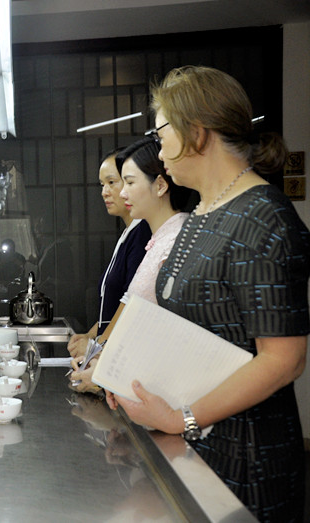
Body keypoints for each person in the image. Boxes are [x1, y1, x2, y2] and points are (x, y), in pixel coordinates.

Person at [108, 66, 309, 521]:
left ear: (197, 134)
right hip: (195, 447)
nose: (158, 148)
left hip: (246, 458)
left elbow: (284, 359)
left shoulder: (263, 218)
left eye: (161, 133)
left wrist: (184, 419)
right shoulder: (202, 213)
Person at [70, 136, 194, 392]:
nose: (121, 193)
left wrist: (105, 376)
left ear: (160, 185)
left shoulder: (175, 241)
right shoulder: (158, 238)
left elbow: (163, 338)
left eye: (127, 182)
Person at [67, 150, 151, 358]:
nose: (105, 191)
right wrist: (90, 336)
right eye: (102, 184)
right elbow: (113, 308)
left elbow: (132, 304)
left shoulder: (143, 233)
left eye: (112, 182)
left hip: (121, 354)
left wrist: (97, 347)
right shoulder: (128, 233)